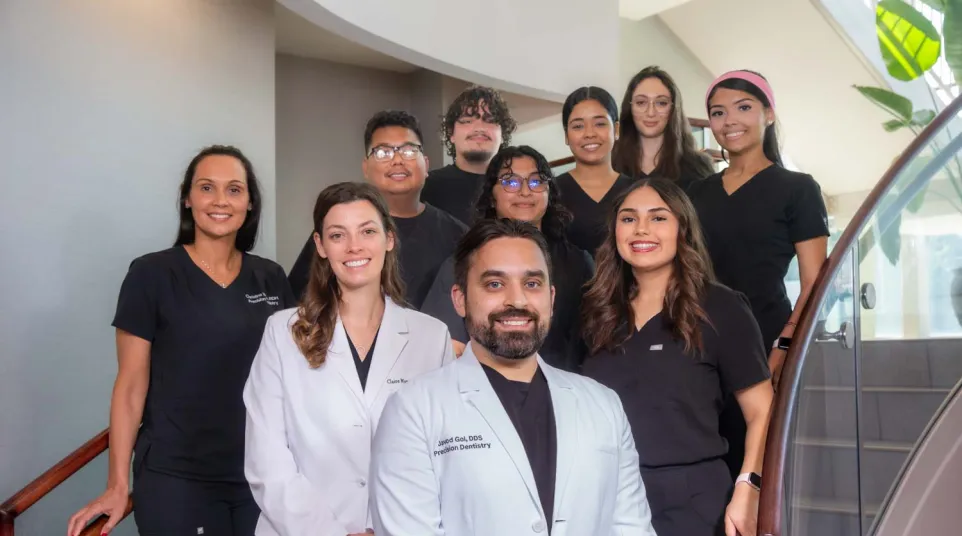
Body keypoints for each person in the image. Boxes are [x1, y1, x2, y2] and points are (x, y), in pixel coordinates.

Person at [370, 219, 657, 536]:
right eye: (494, 284)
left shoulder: (603, 405)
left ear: (551, 297)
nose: (517, 301)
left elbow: (632, 527)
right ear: (459, 299)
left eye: (532, 284)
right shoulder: (413, 410)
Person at [67, 146, 295, 536]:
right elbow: (130, 385)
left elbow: (294, 378)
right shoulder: (151, 274)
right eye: (207, 188)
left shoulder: (270, 277)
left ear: (250, 203)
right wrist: (118, 485)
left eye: (234, 190)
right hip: (177, 478)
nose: (220, 200)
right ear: (187, 199)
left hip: (260, 474)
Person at [243, 182, 455, 535]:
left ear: (389, 238)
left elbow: (442, 455)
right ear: (320, 246)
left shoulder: (431, 337)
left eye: (367, 231)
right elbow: (267, 460)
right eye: (338, 235)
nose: (354, 246)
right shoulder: (282, 332)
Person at [581, 177, 774, 536]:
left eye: (658, 218)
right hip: (609, 497)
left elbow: (763, 411)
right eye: (628, 218)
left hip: (693, 502)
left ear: (682, 228)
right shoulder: (597, 311)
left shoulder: (721, 306)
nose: (641, 229)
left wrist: (749, 487)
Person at [688, 70, 828, 478]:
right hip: (701, 337)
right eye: (718, 112)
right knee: (713, 457)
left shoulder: (798, 188)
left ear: (768, 113)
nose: (729, 120)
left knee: (763, 462)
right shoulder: (698, 193)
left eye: (744, 107)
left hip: (767, 337)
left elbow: (814, 285)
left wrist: (783, 349)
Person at [421, 145, 593, 370]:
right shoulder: (463, 263)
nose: (525, 191)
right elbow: (446, 349)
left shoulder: (578, 263)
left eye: (536, 181)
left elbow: (594, 340)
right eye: (510, 182)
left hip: (565, 392)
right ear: (491, 197)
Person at [288, 111, 467, 310]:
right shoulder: (338, 230)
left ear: (425, 164)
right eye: (383, 153)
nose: (397, 160)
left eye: (408, 151)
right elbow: (301, 300)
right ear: (366, 168)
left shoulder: (458, 235)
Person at [554, 86, 638, 255]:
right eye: (578, 126)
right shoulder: (550, 192)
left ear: (617, 130)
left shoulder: (637, 190)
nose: (589, 134)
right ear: (566, 135)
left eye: (599, 124)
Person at [421, 86, 518, 224]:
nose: (479, 128)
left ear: (503, 134)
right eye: (467, 121)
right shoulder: (426, 188)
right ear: (451, 134)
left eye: (489, 120)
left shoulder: (520, 188)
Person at [612, 66, 715, 190]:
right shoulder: (610, 162)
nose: (650, 112)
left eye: (661, 103)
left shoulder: (698, 168)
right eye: (641, 102)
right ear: (630, 107)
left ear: (673, 109)